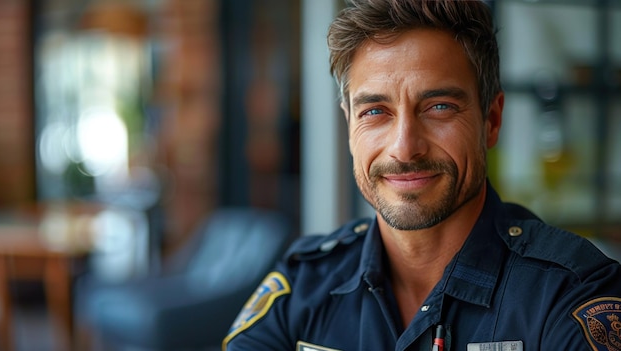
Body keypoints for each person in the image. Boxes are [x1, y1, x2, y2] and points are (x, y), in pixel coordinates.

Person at [222, 0, 621, 350]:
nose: (404, 147)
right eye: (375, 111)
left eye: (439, 107)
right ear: (349, 125)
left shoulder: (572, 294)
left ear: (491, 121)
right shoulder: (302, 284)